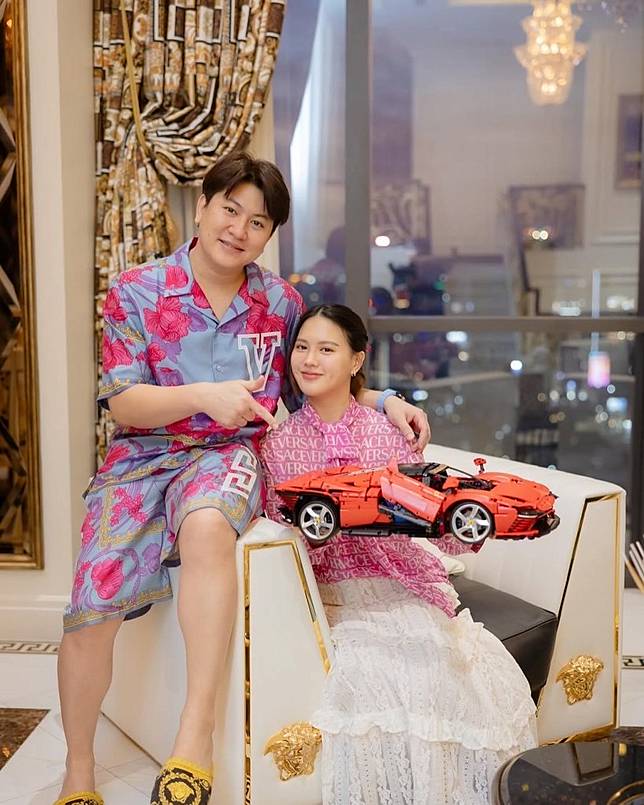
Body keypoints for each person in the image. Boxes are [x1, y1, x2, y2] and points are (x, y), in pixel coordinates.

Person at [55, 152, 430, 805]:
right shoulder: (137, 289)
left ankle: (194, 735)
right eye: (230, 210)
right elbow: (124, 402)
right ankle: (79, 769)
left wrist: (385, 400)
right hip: (141, 457)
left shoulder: (279, 302)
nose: (239, 229)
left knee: (207, 526)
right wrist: (203, 395)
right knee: (90, 607)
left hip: (229, 453)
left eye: (258, 222)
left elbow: (311, 380)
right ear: (202, 206)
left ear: (269, 233)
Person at [260, 304, 538, 805]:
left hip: (401, 580)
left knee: (453, 677)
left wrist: (475, 524)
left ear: (356, 360)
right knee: (373, 679)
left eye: (326, 349)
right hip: (332, 591)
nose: (309, 360)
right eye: (302, 347)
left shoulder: (389, 432)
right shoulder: (278, 444)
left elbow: (432, 521)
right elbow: (284, 539)